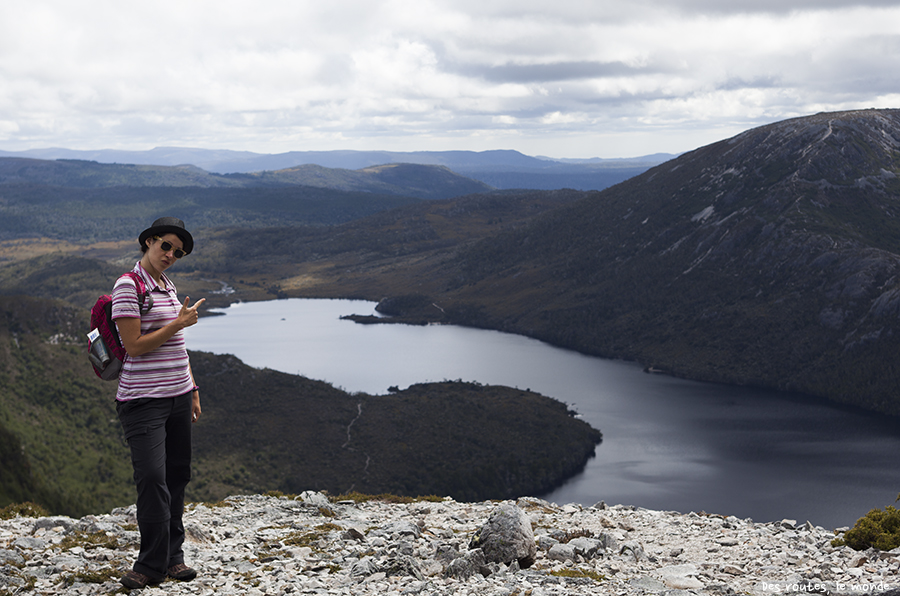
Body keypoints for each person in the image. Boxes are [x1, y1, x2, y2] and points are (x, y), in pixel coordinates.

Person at [112, 217, 205, 590]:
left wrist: (193, 386)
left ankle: (172, 558)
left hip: (178, 395)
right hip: (143, 401)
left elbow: (175, 347)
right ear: (149, 242)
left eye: (177, 252)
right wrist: (179, 324)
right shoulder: (127, 285)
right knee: (152, 478)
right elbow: (134, 345)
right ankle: (149, 565)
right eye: (166, 246)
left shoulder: (167, 285)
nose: (171, 255)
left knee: (176, 477)